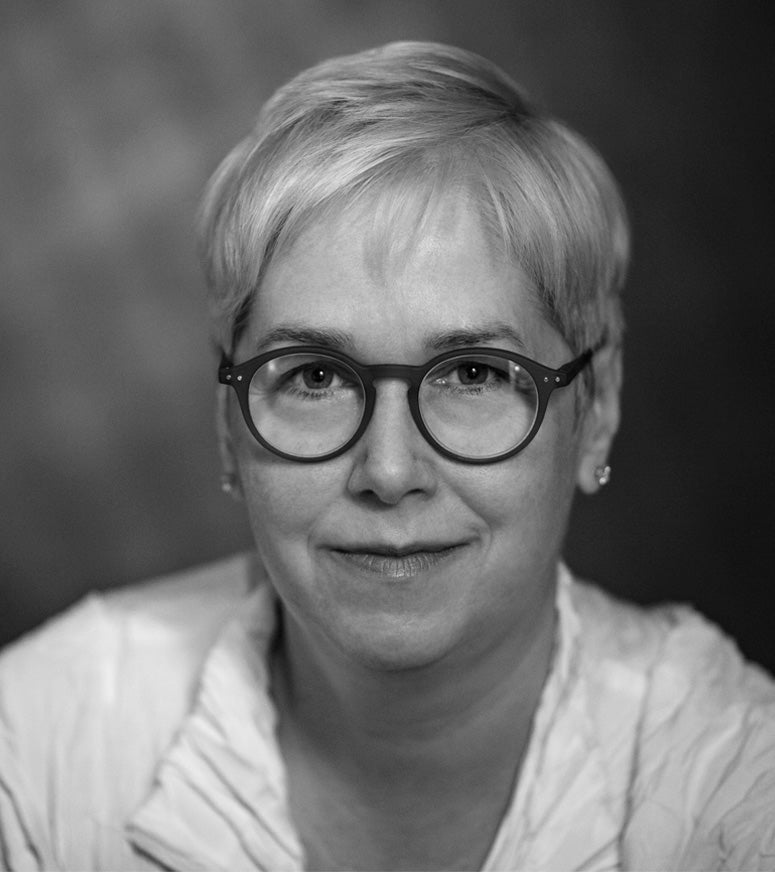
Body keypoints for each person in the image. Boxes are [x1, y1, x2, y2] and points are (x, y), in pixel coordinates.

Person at [1, 41, 773, 872]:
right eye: (316, 376)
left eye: (474, 374)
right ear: (228, 422)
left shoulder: (737, 788)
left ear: (597, 407)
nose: (390, 472)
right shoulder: (36, 748)